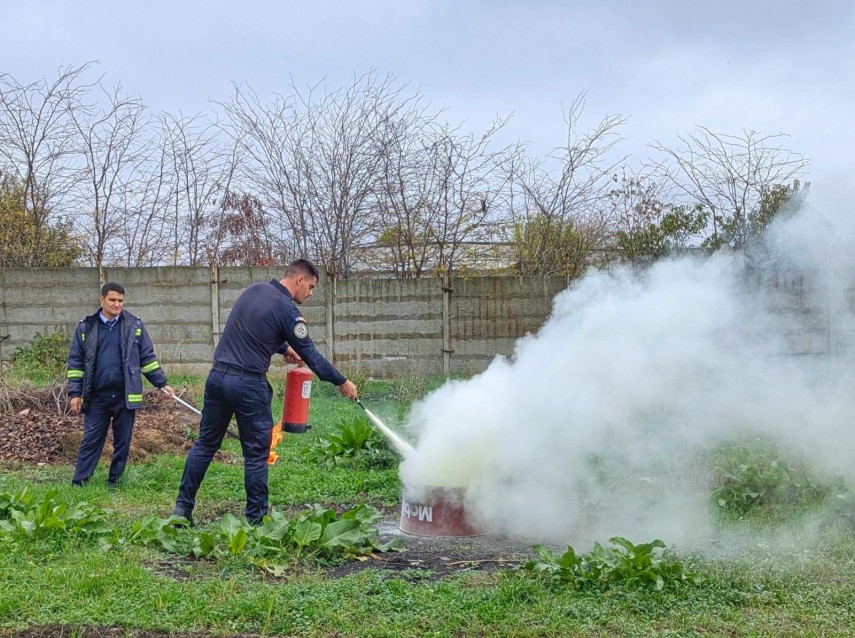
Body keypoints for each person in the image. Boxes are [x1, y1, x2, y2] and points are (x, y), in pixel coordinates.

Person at [172, 258, 358, 526]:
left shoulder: (254, 290)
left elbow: (254, 330)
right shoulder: (288, 311)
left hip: (217, 378)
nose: (311, 293)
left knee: (205, 444)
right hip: (247, 385)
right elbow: (312, 356)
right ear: (299, 280)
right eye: (312, 287)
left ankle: (181, 509)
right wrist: (341, 381)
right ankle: (257, 522)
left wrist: (283, 348)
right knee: (256, 454)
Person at [67, 282, 175, 489]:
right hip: (96, 396)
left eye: (120, 301)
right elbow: (76, 363)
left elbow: (148, 359)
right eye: (112, 300)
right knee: (91, 441)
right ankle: (79, 482)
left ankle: (114, 482)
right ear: (102, 300)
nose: (117, 304)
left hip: (125, 395)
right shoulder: (86, 327)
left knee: (122, 443)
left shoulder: (134, 326)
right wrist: (75, 393)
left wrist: (162, 383)